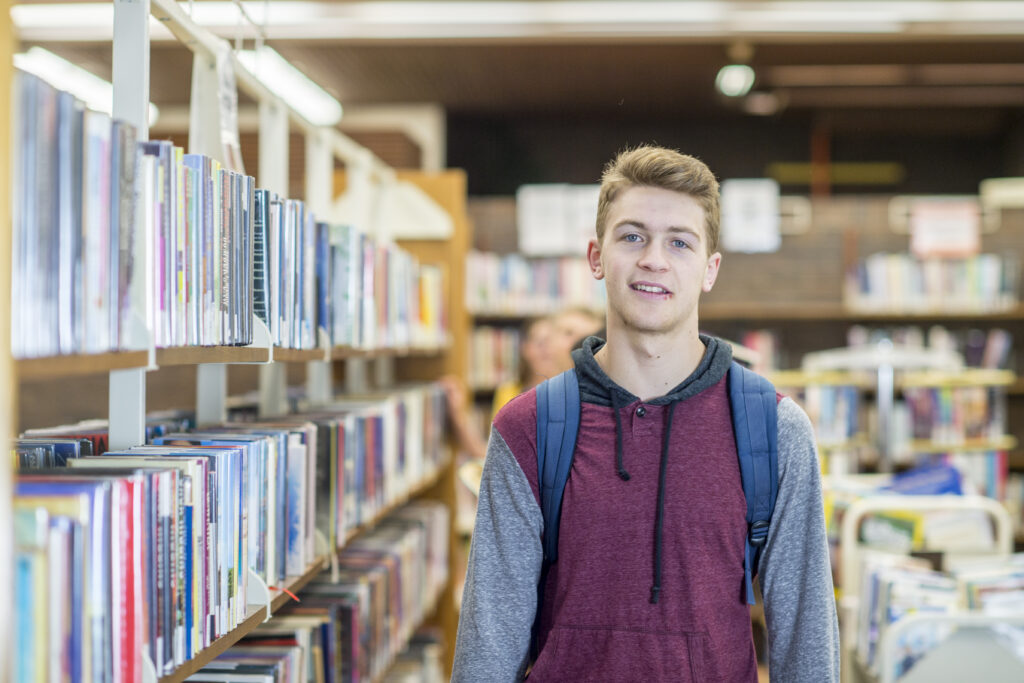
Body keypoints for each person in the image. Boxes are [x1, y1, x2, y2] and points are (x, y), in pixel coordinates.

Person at [452, 146, 839, 681]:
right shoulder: (529, 430)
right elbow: (488, 647)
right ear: (595, 256)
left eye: (679, 242)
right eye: (632, 236)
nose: (654, 258)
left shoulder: (774, 430)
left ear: (709, 269)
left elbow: (806, 641)